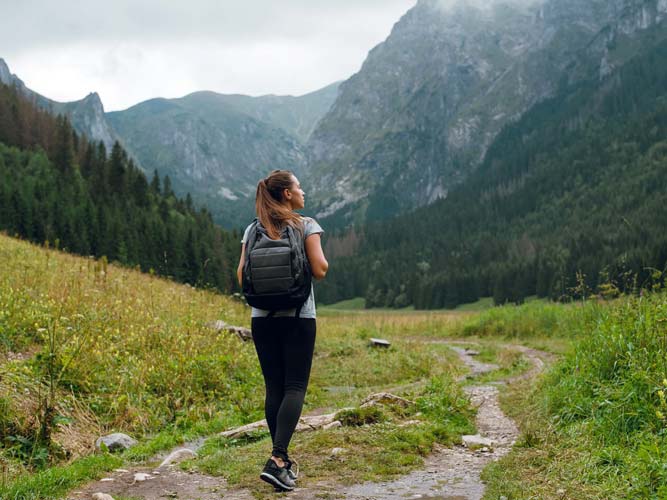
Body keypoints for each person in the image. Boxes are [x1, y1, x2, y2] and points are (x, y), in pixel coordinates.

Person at [237, 169, 328, 492]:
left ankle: (281, 460)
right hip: (298, 315)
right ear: (287, 194)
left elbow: (240, 275)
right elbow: (319, 269)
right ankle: (277, 459)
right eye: (299, 187)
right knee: (295, 386)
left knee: (274, 387)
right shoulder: (305, 224)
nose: (303, 192)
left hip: (261, 318)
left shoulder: (253, 229)